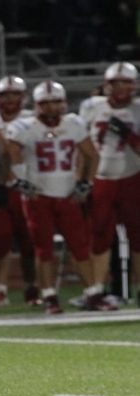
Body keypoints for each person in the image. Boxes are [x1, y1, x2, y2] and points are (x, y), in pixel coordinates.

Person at [6, 81, 99, 314]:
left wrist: (86, 183)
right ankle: (49, 296)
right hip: (39, 197)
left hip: (68, 195)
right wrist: (19, 180)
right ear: (36, 105)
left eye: (56, 102)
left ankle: (93, 293)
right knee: (43, 250)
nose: (51, 108)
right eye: (45, 103)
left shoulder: (74, 124)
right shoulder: (24, 127)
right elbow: (8, 152)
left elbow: (92, 156)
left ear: (64, 103)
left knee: (80, 247)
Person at [79, 61, 140, 308]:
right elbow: (80, 147)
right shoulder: (92, 107)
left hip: (132, 177)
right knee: (99, 237)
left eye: (126, 82)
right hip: (101, 180)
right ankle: (96, 290)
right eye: (116, 83)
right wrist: (82, 179)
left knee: (138, 237)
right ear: (106, 85)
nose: (120, 88)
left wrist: (128, 135)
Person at [0, 75, 40, 307]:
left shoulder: (34, 119)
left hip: (30, 184)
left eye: (14, 94)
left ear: (24, 97)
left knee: (30, 241)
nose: (9, 99)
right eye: (4, 95)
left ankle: (33, 287)